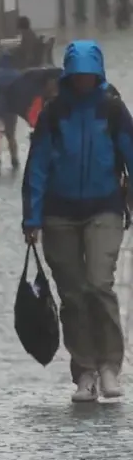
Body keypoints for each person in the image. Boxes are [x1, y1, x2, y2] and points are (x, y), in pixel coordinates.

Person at [23, 40, 133, 403]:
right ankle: (84, 369)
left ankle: (110, 366)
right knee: (72, 293)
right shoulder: (54, 113)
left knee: (99, 284)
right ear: (70, 76)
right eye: (78, 76)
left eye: (89, 76)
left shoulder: (112, 109)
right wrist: (32, 216)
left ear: (97, 74)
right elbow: (37, 165)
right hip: (59, 213)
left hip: (105, 207)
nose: (84, 82)